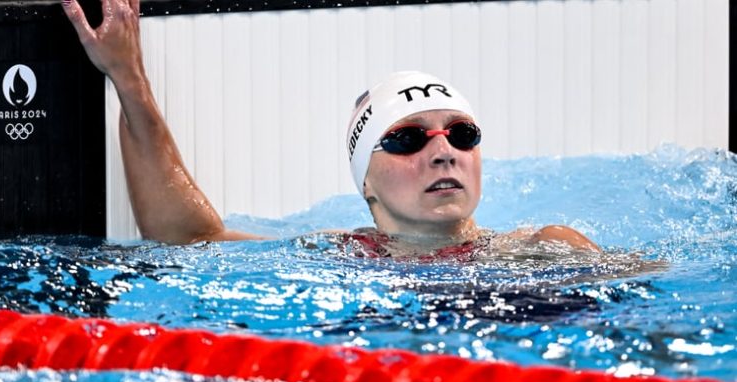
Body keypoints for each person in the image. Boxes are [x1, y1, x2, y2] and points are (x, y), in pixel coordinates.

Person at [61, 0, 599, 256]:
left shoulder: (548, 249)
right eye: (408, 138)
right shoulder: (344, 255)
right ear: (365, 180)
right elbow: (188, 235)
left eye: (462, 134)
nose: (444, 153)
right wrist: (128, 78)